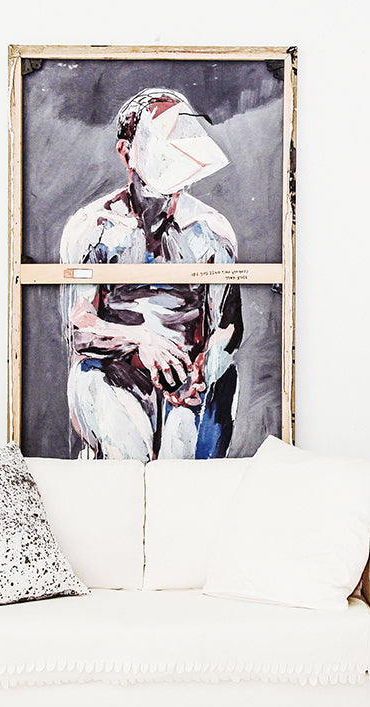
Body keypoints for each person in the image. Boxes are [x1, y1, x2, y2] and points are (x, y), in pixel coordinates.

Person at [59, 87, 243, 460]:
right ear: (127, 152)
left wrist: (203, 370)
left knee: (185, 453)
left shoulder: (209, 230)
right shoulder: (94, 226)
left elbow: (228, 325)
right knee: (99, 392)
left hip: (190, 381)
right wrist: (141, 340)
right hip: (116, 374)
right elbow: (78, 328)